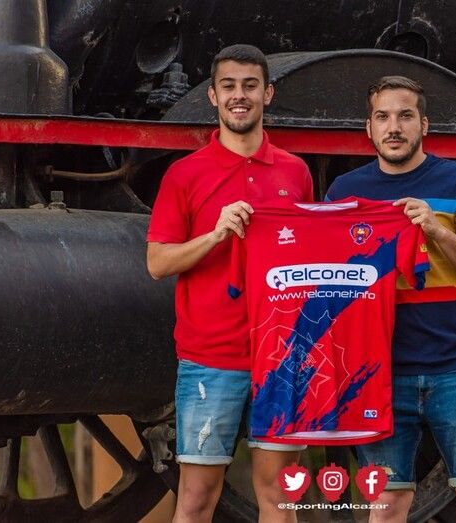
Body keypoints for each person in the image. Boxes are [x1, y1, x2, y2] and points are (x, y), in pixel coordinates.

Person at [325, 76, 456, 523]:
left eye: (405, 116)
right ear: (368, 128)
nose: (394, 127)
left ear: (424, 124)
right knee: (386, 507)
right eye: (383, 117)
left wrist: (436, 230)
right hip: (379, 374)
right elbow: (325, 279)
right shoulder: (343, 193)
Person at [147, 44, 313, 523]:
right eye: (229, 86)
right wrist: (215, 235)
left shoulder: (295, 172)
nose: (240, 95)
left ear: (268, 94)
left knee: (278, 497)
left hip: (281, 357)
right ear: (213, 97)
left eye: (250, 86)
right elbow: (158, 262)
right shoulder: (184, 174)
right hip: (210, 356)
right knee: (197, 498)